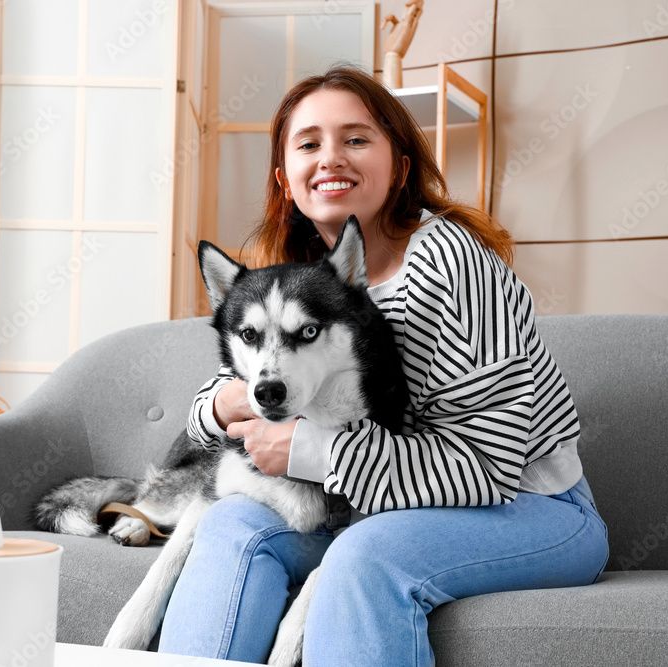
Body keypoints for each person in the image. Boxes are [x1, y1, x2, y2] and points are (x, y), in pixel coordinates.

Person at [157, 65, 608, 666]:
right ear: (285, 179)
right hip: (374, 503)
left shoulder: (451, 264)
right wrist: (226, 403)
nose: (332, 158)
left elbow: (490, 468)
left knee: (364, 555)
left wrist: (309, 451)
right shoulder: (309, 275)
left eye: (356, 139)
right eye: (309, 143)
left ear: (399, 165)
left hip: (534, 508)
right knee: (230, 527)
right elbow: (219, 402)